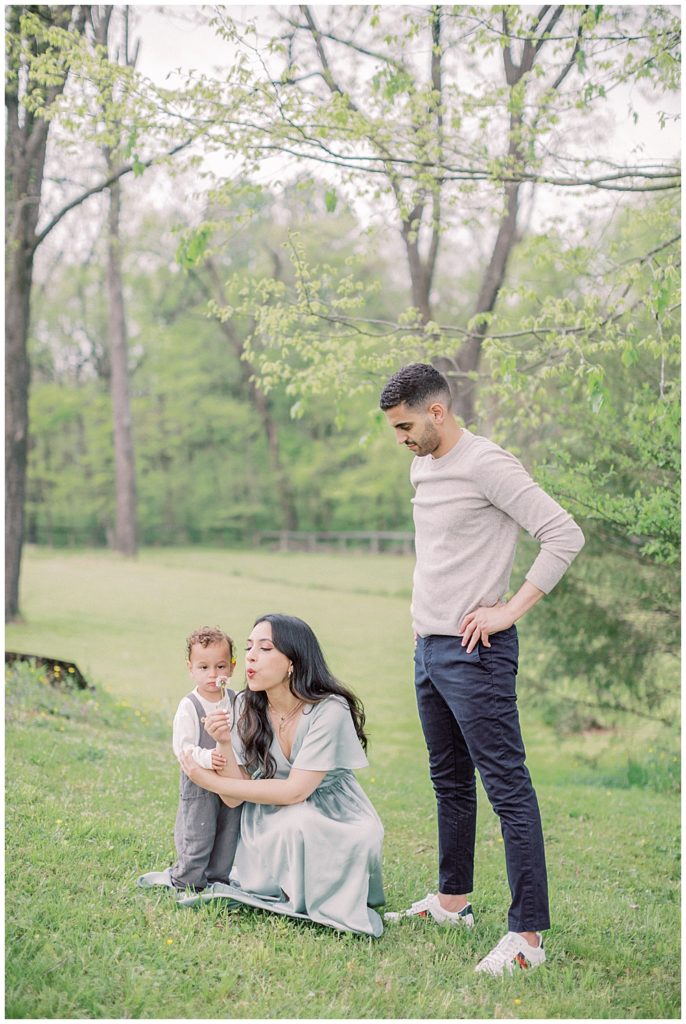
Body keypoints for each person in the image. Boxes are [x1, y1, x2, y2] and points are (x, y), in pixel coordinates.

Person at [379, 363, 584, 976]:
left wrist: (508, 610)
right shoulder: (423, 464)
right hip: (429, 648)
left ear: (437, 412)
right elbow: (443, 553)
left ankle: (527, 938)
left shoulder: (489, 463)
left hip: (477, 654)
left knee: (507, 788)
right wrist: (423, 621)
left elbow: (563, 535)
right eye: (394, 429)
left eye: (406, 425)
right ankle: (451, 901)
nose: (401, 439)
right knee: (449, 781)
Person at [177, 613, 385, 937]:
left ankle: (324, 890)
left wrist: (209, 780)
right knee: (296, 822)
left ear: (293, 661)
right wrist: (222, 742)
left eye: (265, 648)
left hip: (333, 806)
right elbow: (234, 797)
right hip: (272, 809)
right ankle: (291, 886)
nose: (250, 657)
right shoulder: (245, 705)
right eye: (248, 648)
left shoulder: (330, 709)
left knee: (337, 828)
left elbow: (296, 791)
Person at [137, 626, 241, 892]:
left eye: (220, 666)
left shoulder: (234, 700)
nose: (213, 675)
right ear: (191, 668)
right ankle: (188, 878)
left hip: (229, 779)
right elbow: (183, 748)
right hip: (200, 782)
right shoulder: (190, 705)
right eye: (204, 667)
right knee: (199, 831)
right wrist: (207, 757)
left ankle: (218, 878)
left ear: (231, 667)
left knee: (227, 831)